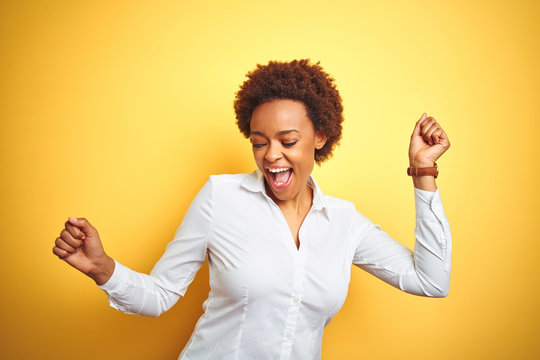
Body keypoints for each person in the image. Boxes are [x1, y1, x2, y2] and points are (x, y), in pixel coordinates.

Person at [52, 59, 452, 360]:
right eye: (260, 142)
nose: (271, 156)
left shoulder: (345, 222)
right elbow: (159, 295)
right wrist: (103, 268)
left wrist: (423, 171)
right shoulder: (220, 197)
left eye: (288, 140)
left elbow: (432, 281)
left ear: (321, 136)